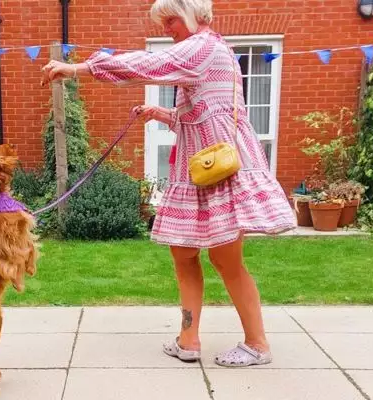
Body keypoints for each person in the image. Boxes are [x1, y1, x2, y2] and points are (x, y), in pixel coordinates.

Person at [41, 0, 297, 367]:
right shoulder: (208, 49)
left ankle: (257, 344)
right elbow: (201, 115)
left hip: (218, 174)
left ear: (193, 14)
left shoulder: (204, 47)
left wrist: (79, 67)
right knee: (184, 253)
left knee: (227, 261)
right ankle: (188, 339)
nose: (167, 28)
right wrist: (160, 113)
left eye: (171, 20)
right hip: (199, 174)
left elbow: (149, 65)